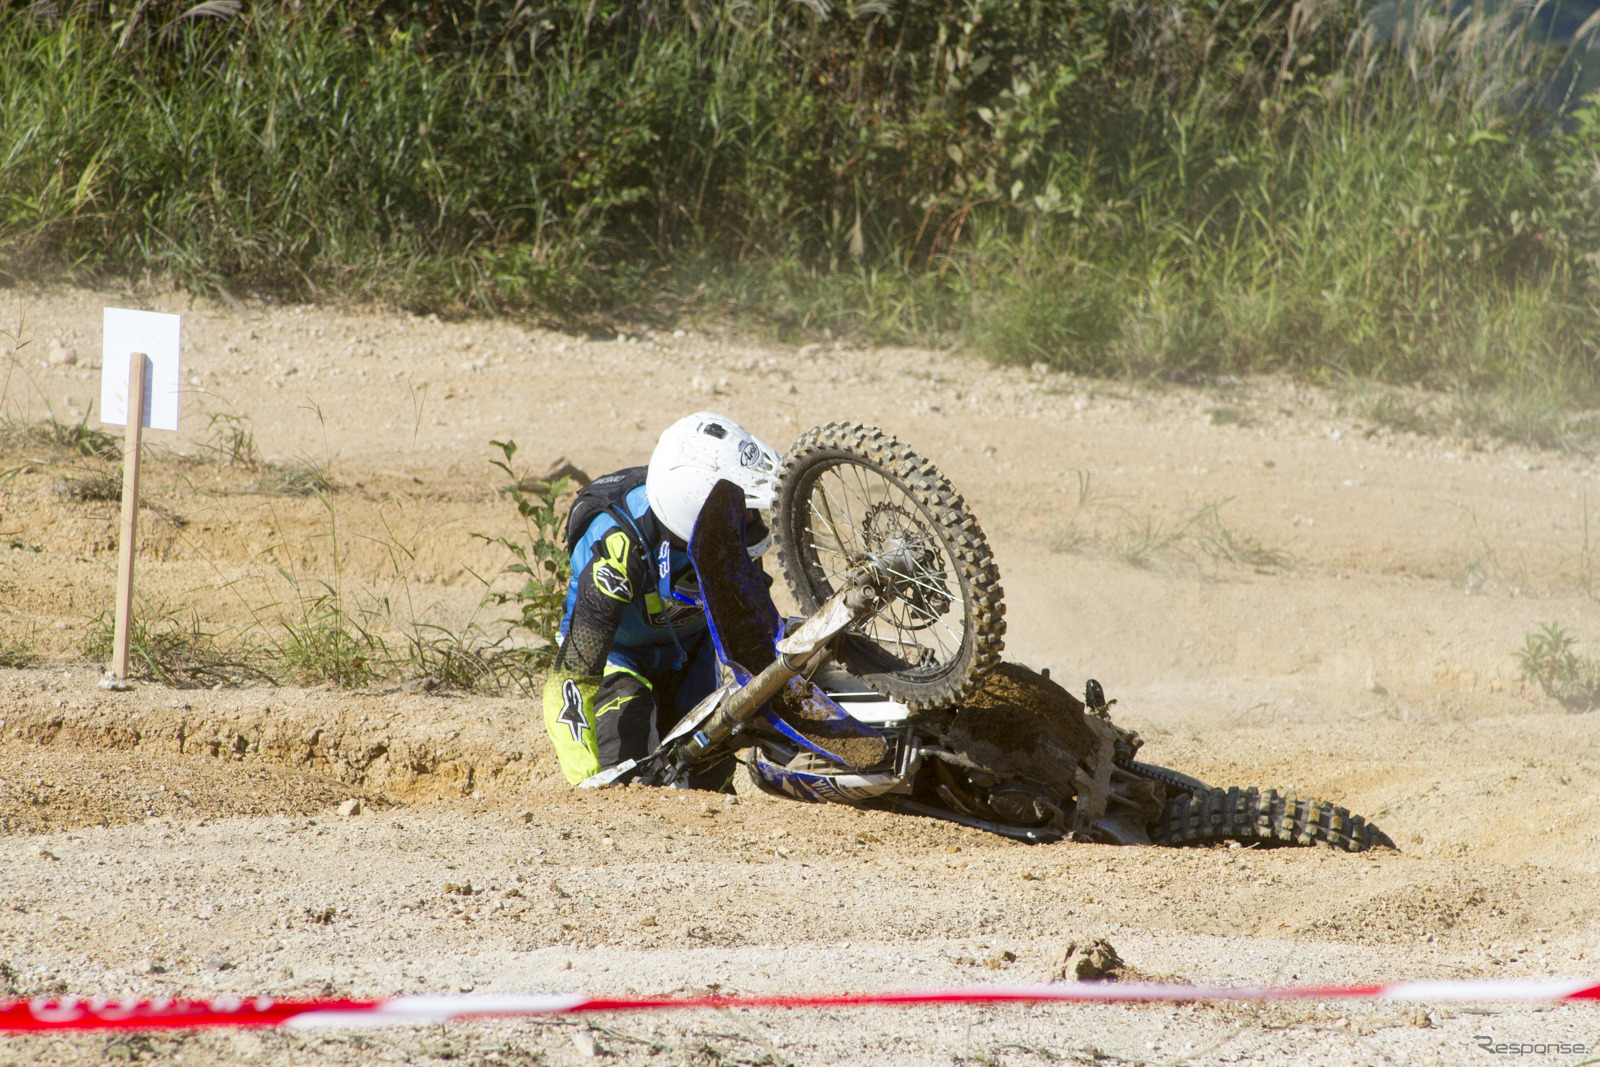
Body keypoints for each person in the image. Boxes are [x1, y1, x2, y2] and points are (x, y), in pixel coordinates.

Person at [542, 412, 783, 785]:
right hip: (615, 656)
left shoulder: (735, 532)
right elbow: (569, 681)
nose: (751, 519)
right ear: (694, 505)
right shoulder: (619, 547)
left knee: (711, 770)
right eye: (742, 509)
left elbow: (755, 630)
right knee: (627, 751)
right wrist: (587, 780)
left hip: (690, 650)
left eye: (751, 509)